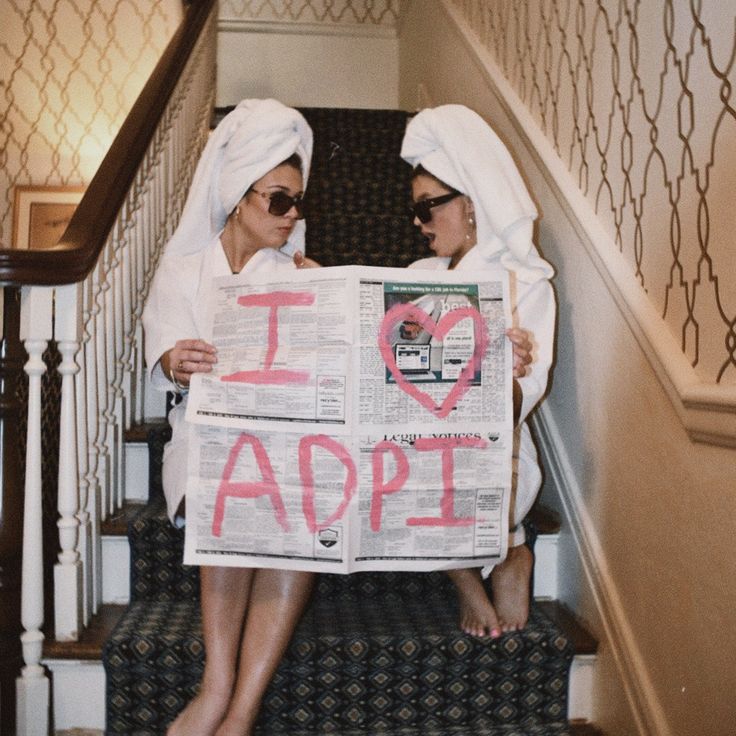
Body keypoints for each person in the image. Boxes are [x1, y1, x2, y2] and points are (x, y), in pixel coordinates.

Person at [142, 98, 318, 736]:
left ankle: (242, 710)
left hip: (284, 438)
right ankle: (217, 686)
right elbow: (163, 352)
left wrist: (324, 300)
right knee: (231, 485)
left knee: (300, 503)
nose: (292, 215)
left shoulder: (300, 272)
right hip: (207, 435)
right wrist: (174, 358)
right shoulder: (184, 268)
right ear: (238, 197)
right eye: (279, 200)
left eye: (298, 201)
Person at [400, 104, 556, 639]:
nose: (418, 224)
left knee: (456, 460)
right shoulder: (417, 276)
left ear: (470, 204)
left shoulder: (527, 284)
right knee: (394, 455)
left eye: (427, 209)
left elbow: (524, 398)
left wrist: (504, 373)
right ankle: (469, 576)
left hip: (493, 443)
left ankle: (508, 552)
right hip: (418, 431)